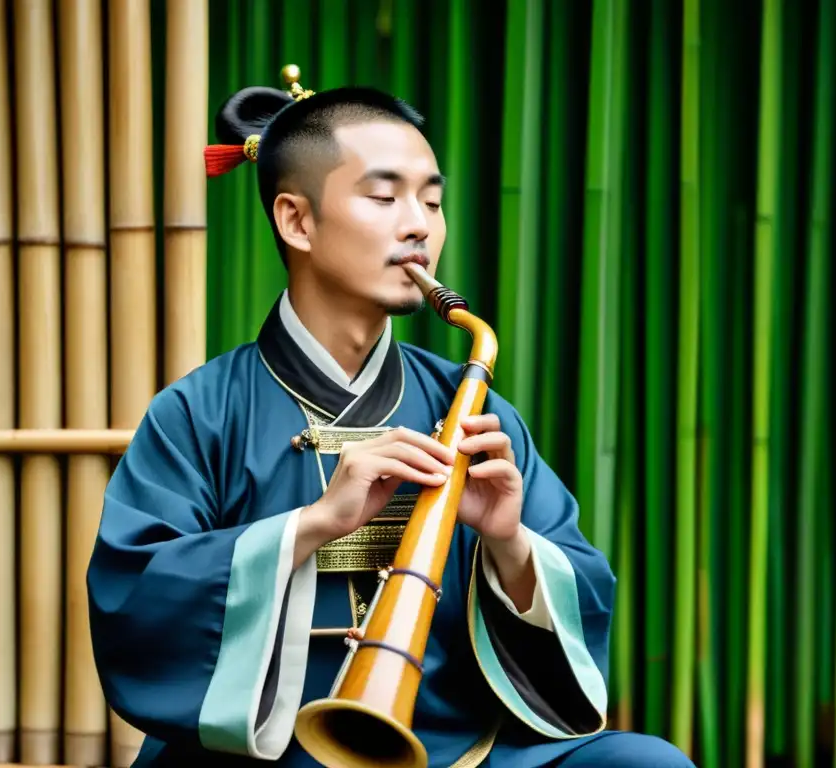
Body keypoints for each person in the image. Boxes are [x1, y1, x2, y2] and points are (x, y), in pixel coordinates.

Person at [86, 65, 694, 768]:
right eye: (385, 197)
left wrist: (510, 544)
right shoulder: (198, 413)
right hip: (262, 754)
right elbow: (135, 599)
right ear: (297, 220)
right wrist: (312, 525)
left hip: (454, 749)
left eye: (432, 203)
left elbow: (582, 593)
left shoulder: (473, 408)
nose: (419, 227)